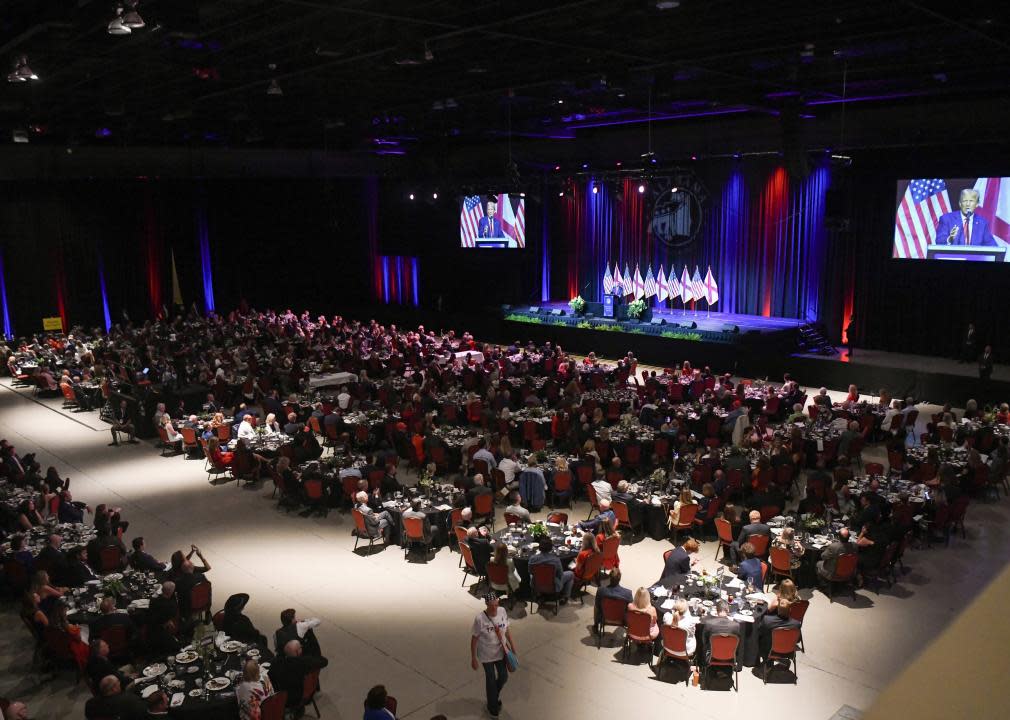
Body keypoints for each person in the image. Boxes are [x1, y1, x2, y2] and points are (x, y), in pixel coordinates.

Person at [470, 593, 517, 718]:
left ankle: (493, 697)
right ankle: (493, 707)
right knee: (490, 680)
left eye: (496, 605)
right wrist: (473, 658)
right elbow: (474, 638)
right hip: (486, 655)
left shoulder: (502, 611)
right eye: (492, 606)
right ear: (486, 604)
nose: (495, 608)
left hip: (501, 651)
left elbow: (506, 630)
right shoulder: (480, 619)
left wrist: (512, 646)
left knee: (503, 676)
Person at [268, 639, 329, 718]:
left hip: (278, 700)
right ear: (297, 652)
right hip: (297, 698)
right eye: (301, 647)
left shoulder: (276, 663)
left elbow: (270, 678)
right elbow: (324, 661)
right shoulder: (303, 663)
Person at [527, 536, 574, 603]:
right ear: (551, 548)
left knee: (532, 576)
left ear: (539, 547)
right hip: (553, 585)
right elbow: (560, 574)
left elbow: (530, 571)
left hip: (536, 584)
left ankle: (538, 594)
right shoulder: (556, 560)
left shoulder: (532, 559)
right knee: (571, 574)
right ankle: (565, 597)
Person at [701, 600, 741, 665]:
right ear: (728, 610)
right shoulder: (736, 625)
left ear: (716, 610)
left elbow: (704, 641)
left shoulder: (708, 623)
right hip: (730, 656)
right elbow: (738, 644)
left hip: (712, 656)